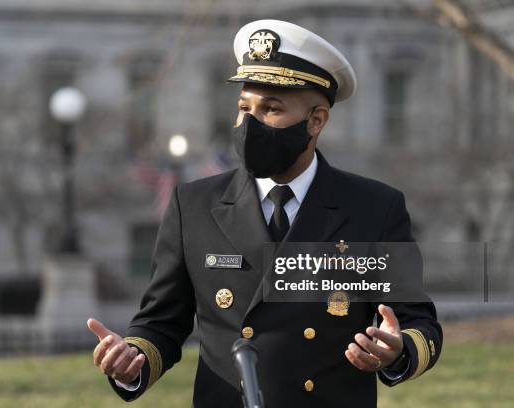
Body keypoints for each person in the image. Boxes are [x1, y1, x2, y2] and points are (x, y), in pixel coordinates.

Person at [87, 19, 442, 407]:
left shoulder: (373, 207)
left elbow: (419, 324)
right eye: (244, 108)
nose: (250, 124)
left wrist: (396, 350)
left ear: (316, 120)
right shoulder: (193, 205)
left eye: (271, 109)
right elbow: (161, 323)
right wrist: (132, 357)